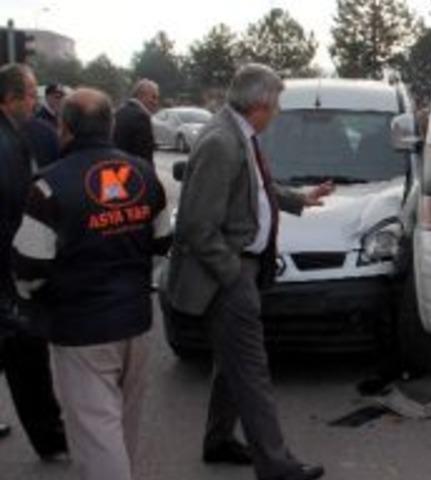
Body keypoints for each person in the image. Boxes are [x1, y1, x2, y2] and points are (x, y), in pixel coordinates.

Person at [168, 64, 332, 480]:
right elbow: (195, 225)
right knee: (252, 368)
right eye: (275, 103)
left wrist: (299, 198)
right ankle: (276, 465)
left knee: (232, 362)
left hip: (240, 268)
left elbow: (253, 190)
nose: (278, 110)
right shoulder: (222, 141)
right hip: (227, 272)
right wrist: (230, 273)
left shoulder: (239, 133)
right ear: (259, 104)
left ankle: (219, 440)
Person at [12, 87, 171, 480]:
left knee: (97, 434)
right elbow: (163, 241)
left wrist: (35, 300)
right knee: (121, 428)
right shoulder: (145, 174)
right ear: (110, 124)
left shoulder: (47, 186)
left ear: (65, 127)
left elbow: (29, 266)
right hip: (135, 319)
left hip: (81, 328)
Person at [0, 63, 67, 459]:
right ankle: (52, 440)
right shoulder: (7, 144)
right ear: (9, 98)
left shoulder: (14, 135)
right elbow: (15, 211)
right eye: (28, 94)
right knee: (27, 357)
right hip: (8, 271)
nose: (34, 101)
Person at [113, 79, 158, 164]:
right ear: (141, 95)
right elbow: (145, 155)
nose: (155, 102)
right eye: (153, 97)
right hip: (133, 170)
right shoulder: (141, 118)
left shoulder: (119, 112)